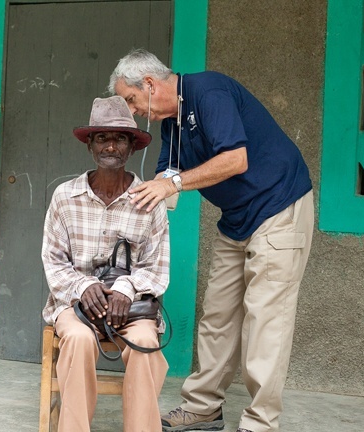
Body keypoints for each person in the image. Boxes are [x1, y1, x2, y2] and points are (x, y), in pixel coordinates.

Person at [109, 49, 314, 432]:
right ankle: (203, 407)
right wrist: (124, 214)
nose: (133, 112)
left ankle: (260, 422)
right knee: (217, 316)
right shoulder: (171, 123)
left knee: (265, 319)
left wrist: (172, 183)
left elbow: (235, 160)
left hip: (278, 208)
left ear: (150, 84)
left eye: (132, 100)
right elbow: (163, 188)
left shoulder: (208, 92)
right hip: (236, 220)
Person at [41, 95, 170, 432]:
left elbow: (157, 267)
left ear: (131, 149)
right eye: (102, 138)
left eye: (120, 139)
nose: (111, 146)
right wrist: (84, 286)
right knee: (79, 340)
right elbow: (53, 261)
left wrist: (125, 289)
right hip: (76, 305)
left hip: (132, 308)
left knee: (145, 344)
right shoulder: (65, 197)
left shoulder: (149, 200)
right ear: (90, 146)